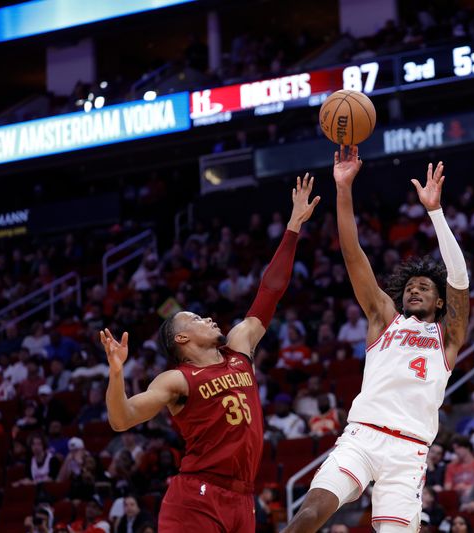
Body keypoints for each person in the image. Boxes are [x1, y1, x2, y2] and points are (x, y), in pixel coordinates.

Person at [102, 175, 319, 533]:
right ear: (183, 337)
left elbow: (271, 290)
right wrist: (116, 372)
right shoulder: (177, 379)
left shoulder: (239, 347)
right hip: (196, 496)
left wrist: (294, 225)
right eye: (197, 318)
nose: (209, 318)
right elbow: (121, 420)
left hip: (243, 498)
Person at [287, 153, 471, 533]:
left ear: (440, 302)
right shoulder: (383, 320)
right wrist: (343, 188)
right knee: (308, 514)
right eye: (410, 287)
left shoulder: (447, 335)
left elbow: (459, 279)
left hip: (410, 451)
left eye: (424, 287)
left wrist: (435, 213)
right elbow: (353, 255)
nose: (414, 289)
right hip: (362, 436)